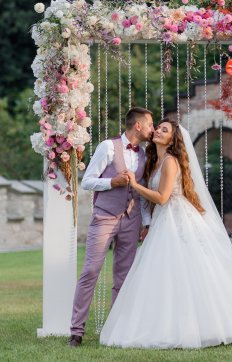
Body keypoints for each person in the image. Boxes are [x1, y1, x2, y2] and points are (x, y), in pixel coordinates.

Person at [99, 118, 232, 349]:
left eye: (164, 129)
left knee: (188, 269)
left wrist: (134, 184)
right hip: (162, 221)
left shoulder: (170, 161)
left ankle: (202, 326)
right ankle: (167, 324)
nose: (158, 130)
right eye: (158, 127)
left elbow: (162, 197)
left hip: (177, 218)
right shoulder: (154, 161)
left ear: (173, 139)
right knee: (164, 272)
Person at [66, 107, 155, 348]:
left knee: (123, 277)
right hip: (105, 216)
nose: (152, 129)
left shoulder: (146, 154)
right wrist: (112, 182)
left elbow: (143, 192)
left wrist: (146, 223)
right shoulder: (107, 146)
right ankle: (76, 332)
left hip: (132, 219)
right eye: (150, 124)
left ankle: (117, 330)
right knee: (90, 272)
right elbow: (86, 181)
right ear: (138, 125)